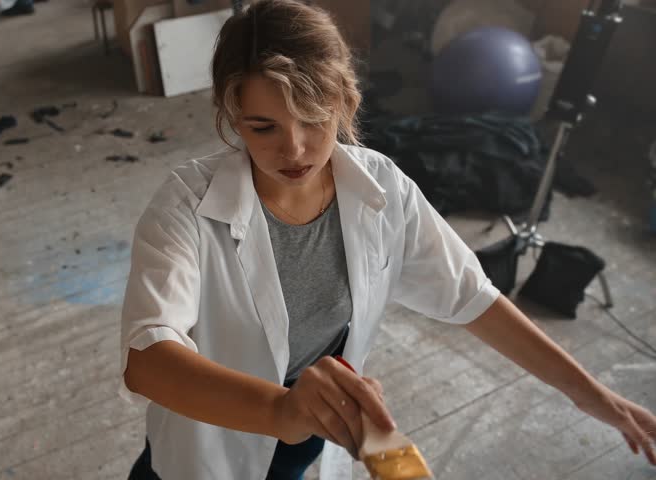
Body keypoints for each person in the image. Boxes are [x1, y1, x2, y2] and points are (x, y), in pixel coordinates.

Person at [118, 1, 656, 479]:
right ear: (232, 114)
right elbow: (148, 360)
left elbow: (472, 297)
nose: (296, 150)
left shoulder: (381, 191)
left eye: (314, 119)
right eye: (264, 128)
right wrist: (282, 410)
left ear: (345, 102)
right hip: (207, 449)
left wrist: (595, 397)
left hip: (309, 446)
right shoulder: (186, 207)